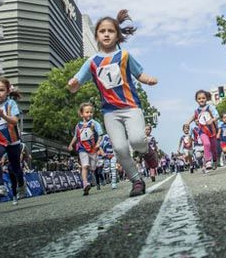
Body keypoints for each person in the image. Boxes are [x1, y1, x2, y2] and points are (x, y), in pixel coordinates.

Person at [68, 10, 159, 197]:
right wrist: (72, 85)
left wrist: (148, 79)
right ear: (97, 36)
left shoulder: (124, 55)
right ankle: (136, 181)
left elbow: (139, 74)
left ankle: (146, 150)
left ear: (117, 35)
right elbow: (76, 85)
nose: (106, 34)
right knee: (119, 148)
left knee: (136, 140)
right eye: (102, 31)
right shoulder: (92, 62)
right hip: (110, 112)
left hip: (131, 107)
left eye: (110, 31)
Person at [0, 77, 26, 203]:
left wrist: (3, 115)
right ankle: (1, 186)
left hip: (13, 141)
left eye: (1, 90)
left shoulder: (11, 104)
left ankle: (21, 184)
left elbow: (14, 121)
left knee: (15, 168)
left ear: (7, 92)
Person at [69, 102, 104, 196]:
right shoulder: (78, 125)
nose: (89, 114)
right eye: (87, 112)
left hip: (92, 149)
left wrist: (98, 143)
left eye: (91, 112)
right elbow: (76, 136)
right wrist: (71, 145)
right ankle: (85, 184)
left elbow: (101, 134)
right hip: (82, 148)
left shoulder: (95, 123)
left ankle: (91, 179)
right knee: (85, 166)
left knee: (92, 168)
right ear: (81, 114)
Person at [184, 90, 219, 174]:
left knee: (214, 149)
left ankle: (215, 160)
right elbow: (193, 117)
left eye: (203, 98)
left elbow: (217, 115)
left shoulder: (210, 107)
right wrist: (187, 122)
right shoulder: (197, 110)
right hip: (202, 131)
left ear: (206, 98)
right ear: (196, 100)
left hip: (212, 131)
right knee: (206, 144)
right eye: (199, 98)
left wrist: (212, 120)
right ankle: (208, 161)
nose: (201, 100)